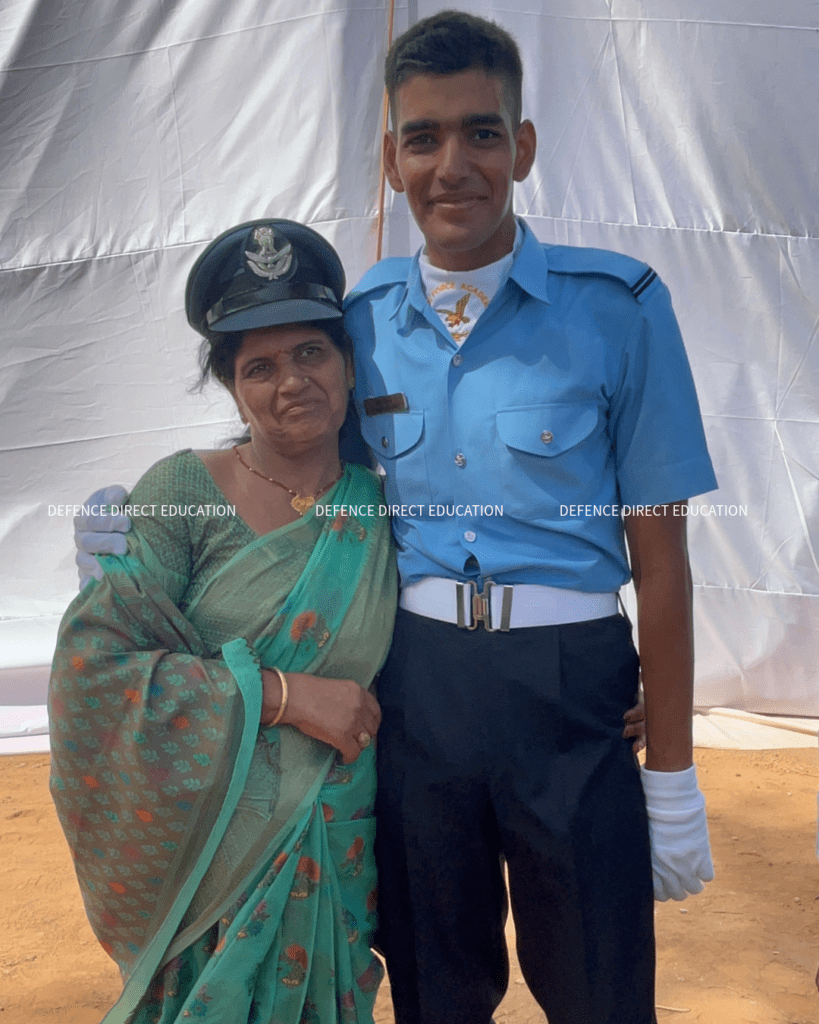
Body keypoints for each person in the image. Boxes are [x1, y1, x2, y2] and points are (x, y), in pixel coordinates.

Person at [73, 11, 711, 1024]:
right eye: (423, 137)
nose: (452, 164)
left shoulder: (620, 310)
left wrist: (672, 771)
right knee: (435, 984)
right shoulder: (356, 321)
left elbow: (666, 559)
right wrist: (147, 518)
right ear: (390, 158)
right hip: (417, 687)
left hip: (572, 682)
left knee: (599, 988)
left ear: (524, 145)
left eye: (481, 131)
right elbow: (298, 472)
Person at [50, 219, 396, 1024]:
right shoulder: (182, 490)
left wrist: (586, 692)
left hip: (335, 845)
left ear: (347, 361)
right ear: (232, 388)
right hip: (208, 853)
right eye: (259, 367)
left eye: (310, 352)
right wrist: (281, 694)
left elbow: (450, 650)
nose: (290, 383)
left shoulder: (384, 511)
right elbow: (94, 669)